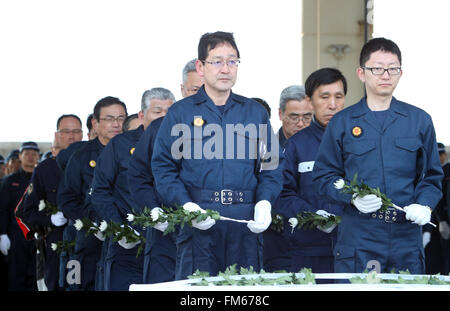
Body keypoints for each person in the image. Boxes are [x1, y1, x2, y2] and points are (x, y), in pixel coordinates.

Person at [151, 31, 283, 280]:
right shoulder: (180, 113)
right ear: (201, 67)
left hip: (245, 223)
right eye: (217, 61)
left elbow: (272, 165)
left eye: (232, 61)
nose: (226, 68)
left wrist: (265, 202)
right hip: (199, 222)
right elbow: (163, 168)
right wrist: (186, 205)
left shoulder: (254, 113)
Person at [312, 37, 443, 275]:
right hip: (360, 236)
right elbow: (323, 175)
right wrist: (351, 196)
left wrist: (424, 205)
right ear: (362, 73)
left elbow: (432, 176)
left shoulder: (419, 121)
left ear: (400, 73)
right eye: (377, 69)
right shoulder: (342, 122)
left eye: (393, 69)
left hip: (405, 234)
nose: (385, 75)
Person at [90, 88, 175, 290]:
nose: (163, 117)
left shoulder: (182, 145)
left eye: (169, 112)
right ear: (141, 115)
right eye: (157, 111)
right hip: (129, 241)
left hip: (168, 242)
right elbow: (100, 191)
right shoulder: (120, 144)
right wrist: (118, 227)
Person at [128, 63, 204, 285]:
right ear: (182, 90)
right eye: (194, 89)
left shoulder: (231, 127)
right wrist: (153, 210)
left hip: (211, 233)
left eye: (206, 88)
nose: (201, 95)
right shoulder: (158, 128)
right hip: (166, 235)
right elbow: (138, 177)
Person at [278, 68, 347, 276]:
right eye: (324, 97)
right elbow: (283, 193)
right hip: (309, 250)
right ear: (310, 101)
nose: (332, 105)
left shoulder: (361, 142)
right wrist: (312, 216)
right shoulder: (296, 145)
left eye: (338, 97)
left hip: (353, 248)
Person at [58, 96, 127, 290]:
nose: (116, 124)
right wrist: (91, 224)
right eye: (109, 119)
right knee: (78, 284)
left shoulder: (134, 152)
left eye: (121, 118)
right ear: (95, 123)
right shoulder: (80, 156)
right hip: (86, 239)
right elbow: (66, 199)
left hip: (125, 238)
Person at [22, 115, 83, 291]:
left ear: (82, 134)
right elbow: (29, 212)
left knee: (81, 284)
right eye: (66, 131)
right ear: (57, 135)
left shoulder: (94, 163)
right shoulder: (44, 169)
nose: (72, 136)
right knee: (56, 285)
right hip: (57, 243)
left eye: (76, 131)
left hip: (86, 243)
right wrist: (50, 219)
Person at [263, 86, 311, 272]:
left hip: (313, 238)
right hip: (276, 240)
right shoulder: (265, 148)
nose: (301, 123)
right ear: (280, 114)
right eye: (294, 117)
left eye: (307, 117)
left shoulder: (324, 149)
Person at [0, 142, 40, 290]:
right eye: (27, 153)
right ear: (20, 156)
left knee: (35, 276)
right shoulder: (10, 181)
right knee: (16, 277)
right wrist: (3, 234)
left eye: (34, 154)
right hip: (16, 235)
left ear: (38, 156)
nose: (30, 157)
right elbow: (3, 209)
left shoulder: (41, 178)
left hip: (38, 233)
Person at [423, 142, 450, 274]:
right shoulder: (442, 172)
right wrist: (443, 220)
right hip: (441, 222)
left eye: (440, 154)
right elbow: (438, 198)